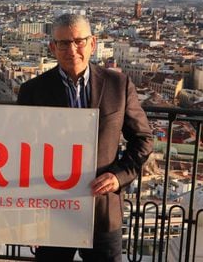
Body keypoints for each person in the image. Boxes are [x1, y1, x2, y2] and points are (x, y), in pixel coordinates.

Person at [17, 14, 153, 262]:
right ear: (52, 48)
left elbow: (143, 139)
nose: (72, 49)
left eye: (79, 41)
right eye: (63, 43)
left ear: (93, 43)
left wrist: (118, 176)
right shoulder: (32, 90)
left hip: (102, 211)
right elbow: (21, 151)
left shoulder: (118, 85)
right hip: (52, 212)